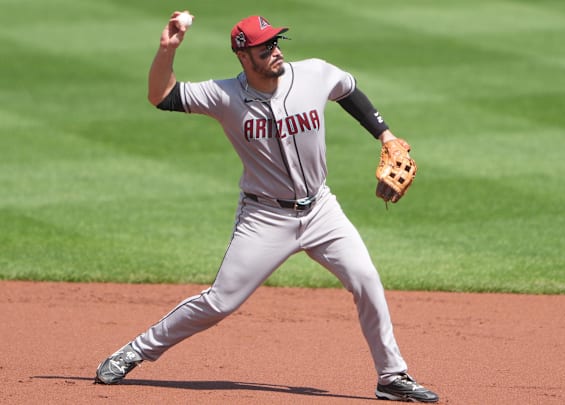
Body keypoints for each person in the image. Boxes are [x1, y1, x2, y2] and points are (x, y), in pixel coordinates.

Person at [94, 11, 439, 403]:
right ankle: (135, 351)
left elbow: (348, 89)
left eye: (275, 43)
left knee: (366, 281)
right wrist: (166, 51)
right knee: (220, 301)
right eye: (264, 47)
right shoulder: (223, 96)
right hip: (265, 217)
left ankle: (391, 376)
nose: (275, 51)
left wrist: (386, 134)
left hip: (322, 211)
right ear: (243, 56)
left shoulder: (313, 74)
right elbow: (162, 96)